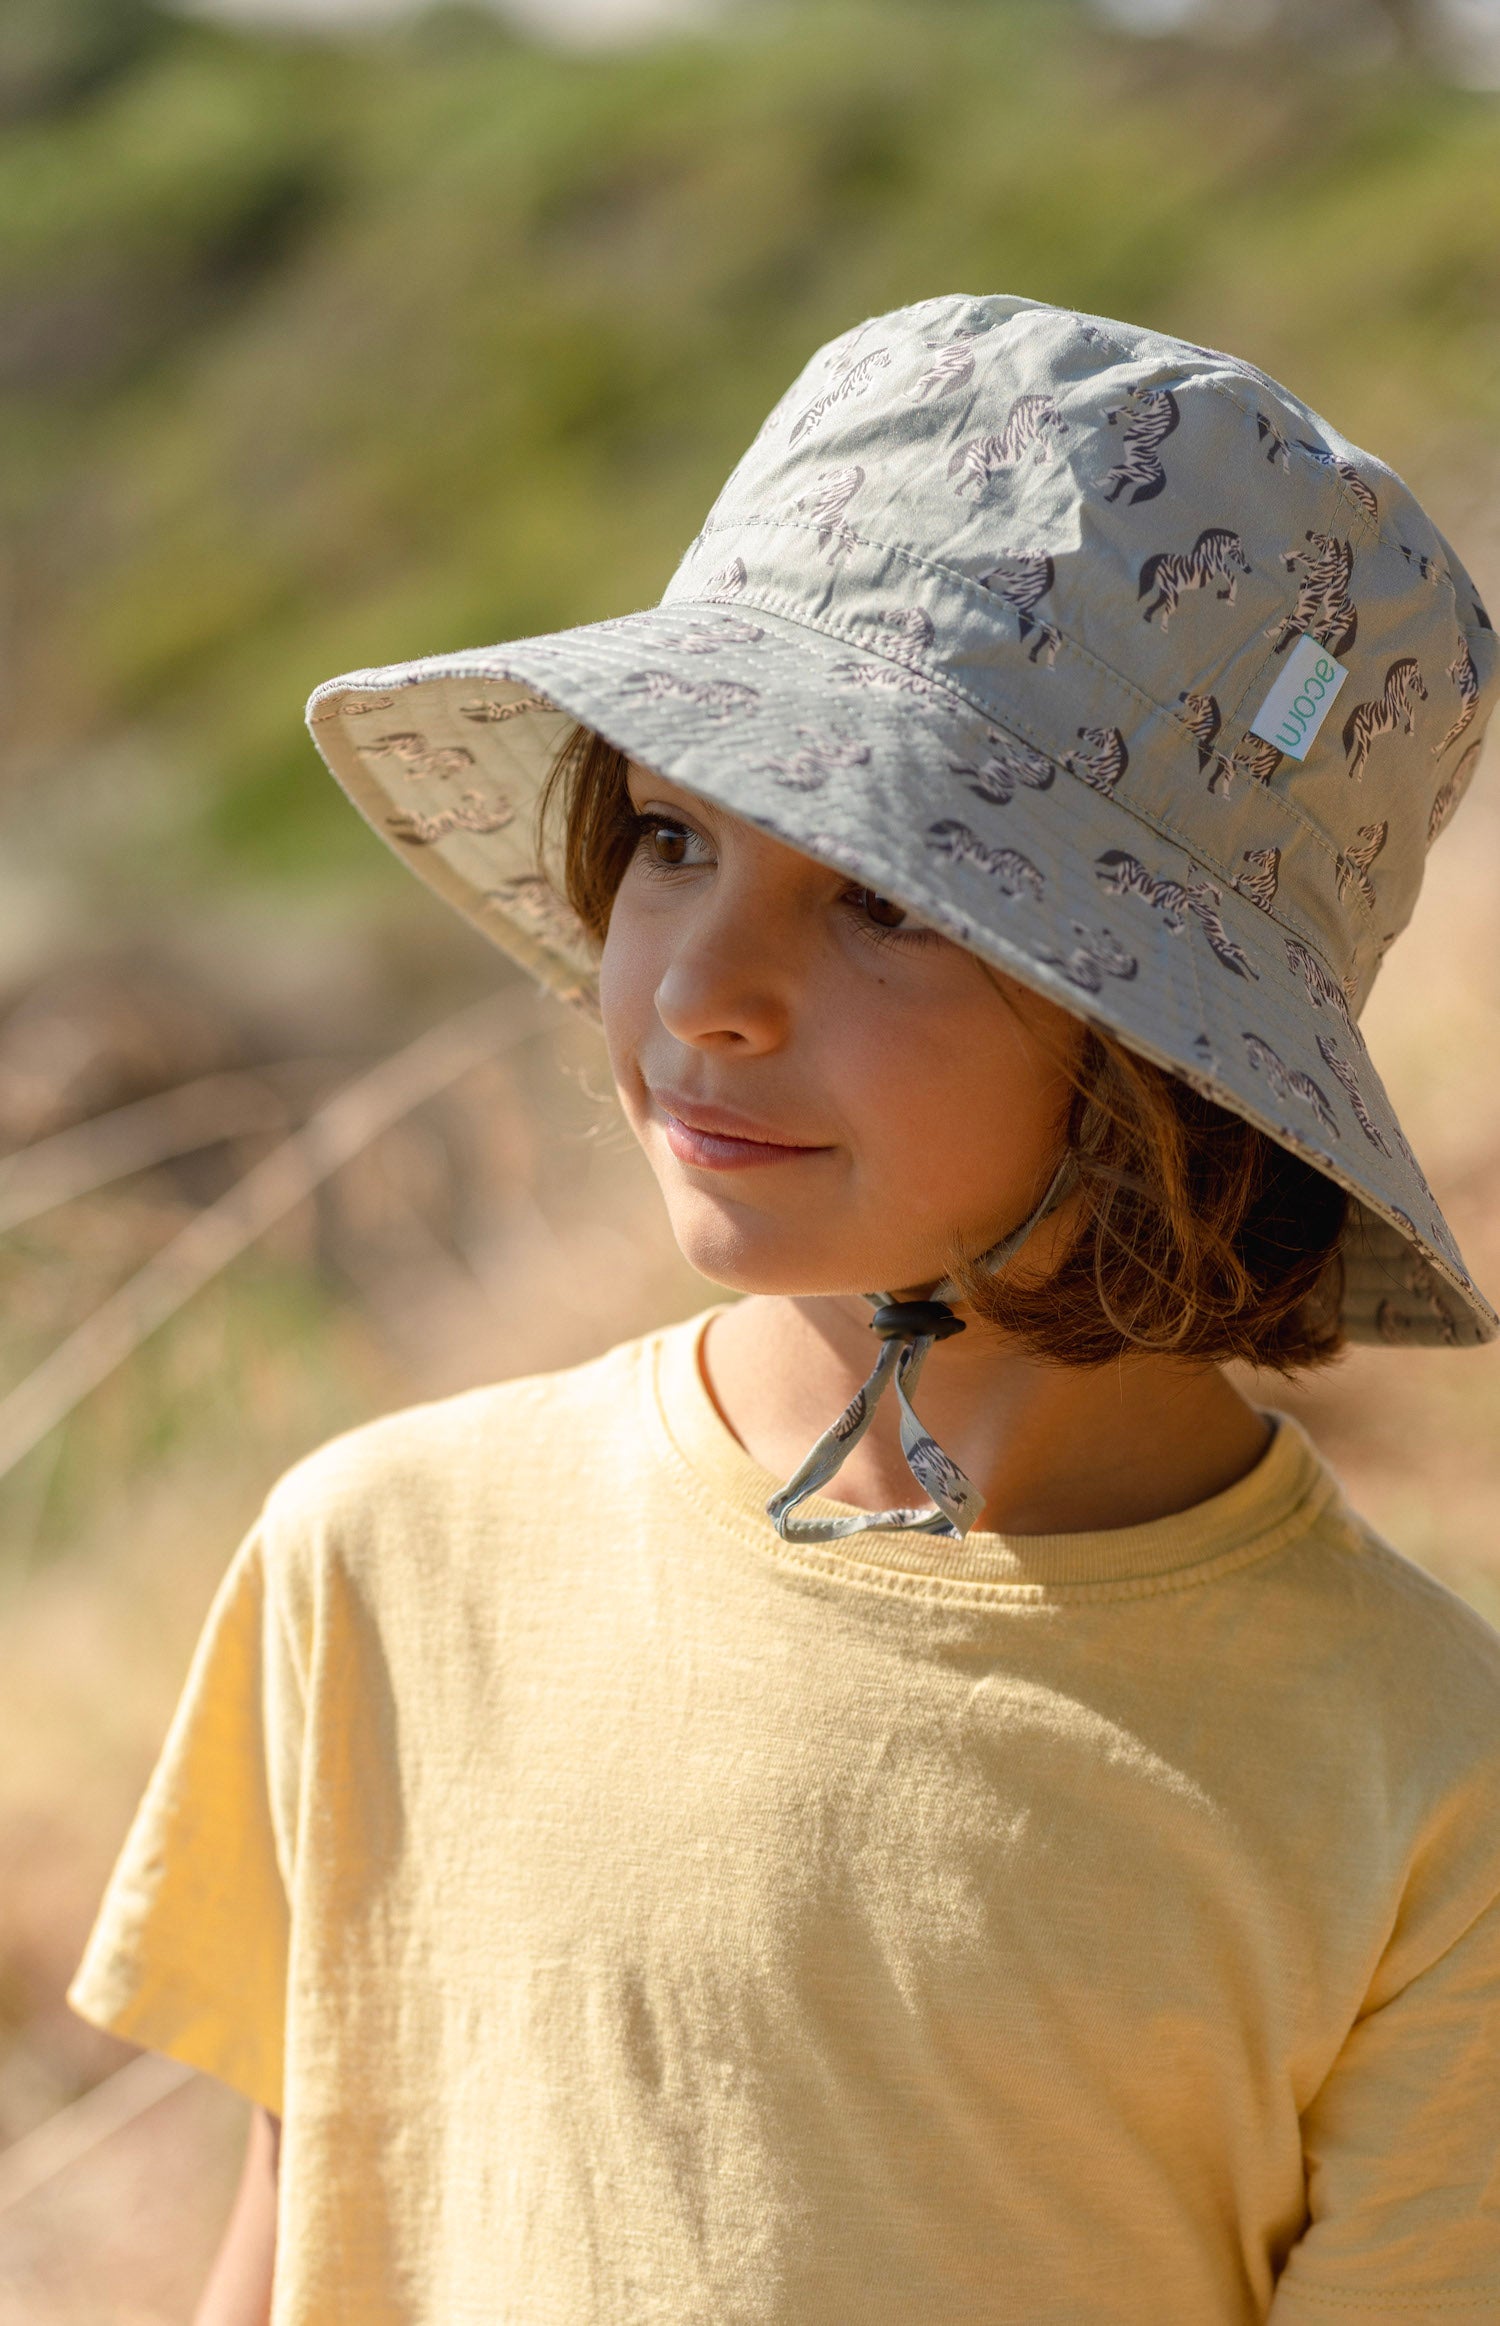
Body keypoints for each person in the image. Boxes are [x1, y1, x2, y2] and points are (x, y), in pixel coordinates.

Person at [70, 294, 1500, 2325]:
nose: (700, 987)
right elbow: (297, 2261)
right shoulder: (385, 1557)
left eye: (892, 894)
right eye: (669, 837)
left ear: (1171, 1047)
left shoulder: (1426, 1786)